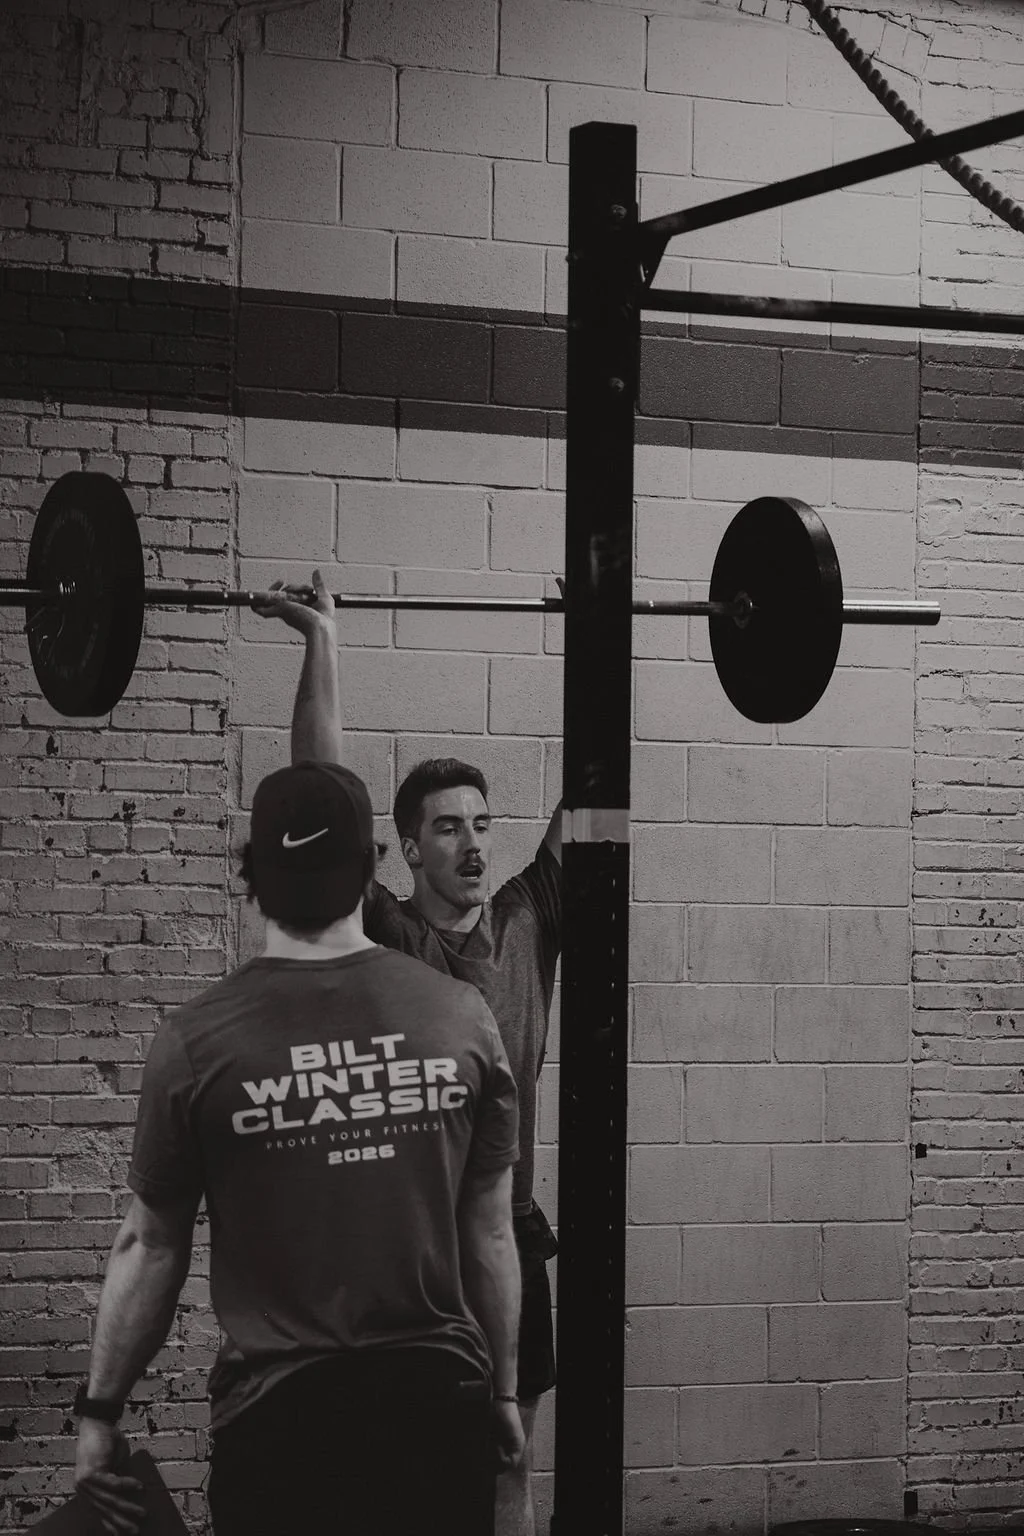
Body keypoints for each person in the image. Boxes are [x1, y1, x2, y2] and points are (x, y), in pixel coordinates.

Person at [72, 759, 524, 1536]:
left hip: (279, 1422)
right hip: (436, 1403)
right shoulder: (462, 1018)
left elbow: (150, 1246)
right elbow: (489, 1231)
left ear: (253, 875)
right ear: (371, 868)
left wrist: (99, 1413)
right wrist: (505, 1392)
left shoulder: (195, 1041)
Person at [255, 574, 562, 1536]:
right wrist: (323, 642)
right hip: (406, 1247)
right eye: (448, 827)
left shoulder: (528, 921)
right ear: (407, 847)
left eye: (482, 824)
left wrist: (599, 643)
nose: (472, 845)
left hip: (510, 1233)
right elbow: (320, 794)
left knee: (510, 1464)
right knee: (403, 1479)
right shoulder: (387, 932)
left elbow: (599, 792)